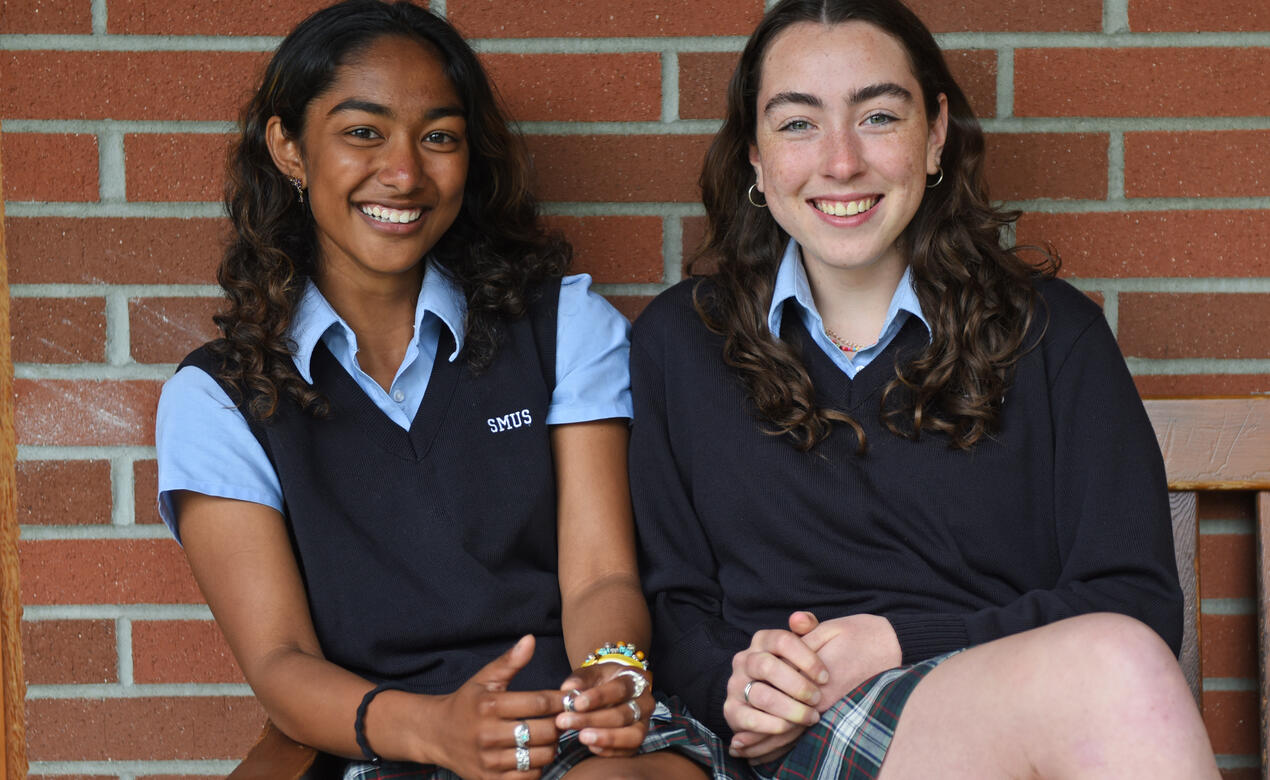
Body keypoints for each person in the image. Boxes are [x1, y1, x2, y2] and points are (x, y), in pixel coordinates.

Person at [628, 0, 1220, 777]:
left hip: (1001, 724)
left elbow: (1135, 601)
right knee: (1119, 675)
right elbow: (672, 607)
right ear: (754, 157)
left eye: (877, 116)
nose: (841, 163)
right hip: (776, 744)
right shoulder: (680, 341)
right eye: (798, 124)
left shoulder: (1052, 334)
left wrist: (899, 641)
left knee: (1122, 667)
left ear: (935, 135)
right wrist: (736, 691)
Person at [155, 2, 742, 778]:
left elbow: (601, 575)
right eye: (363, 132)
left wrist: (616, 670)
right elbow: (281, 661)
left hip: (572, 729)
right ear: (288, 149)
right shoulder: (217, 400)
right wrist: (433, 731)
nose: (404, 173)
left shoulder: (565, 327)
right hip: (388, 745)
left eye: (439, 137)